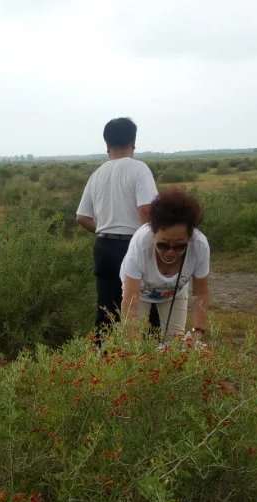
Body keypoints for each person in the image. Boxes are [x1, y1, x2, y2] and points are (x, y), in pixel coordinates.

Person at [76, 117, 158, 336]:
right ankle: (152, 363)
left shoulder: (97, 174)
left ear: (107, 145)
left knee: (107, 313)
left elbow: (82, 217)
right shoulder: (139, 169)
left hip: (103, 247)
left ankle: (104, 362)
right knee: (148, 310)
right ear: (133, 142)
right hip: (134, 246)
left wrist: (104, 228)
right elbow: (147, 211)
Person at [120, 187, 210, 342]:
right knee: (132, 341)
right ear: (153, 234)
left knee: (175, 342)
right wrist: (133, 349)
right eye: (162, 245)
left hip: (174, 293)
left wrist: (197, 332)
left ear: (190, 237)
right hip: (138, 293)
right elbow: (131, 302)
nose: (170, 252)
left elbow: (201, 293)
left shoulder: (200, 245)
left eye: (180, 246)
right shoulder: (140, 244)